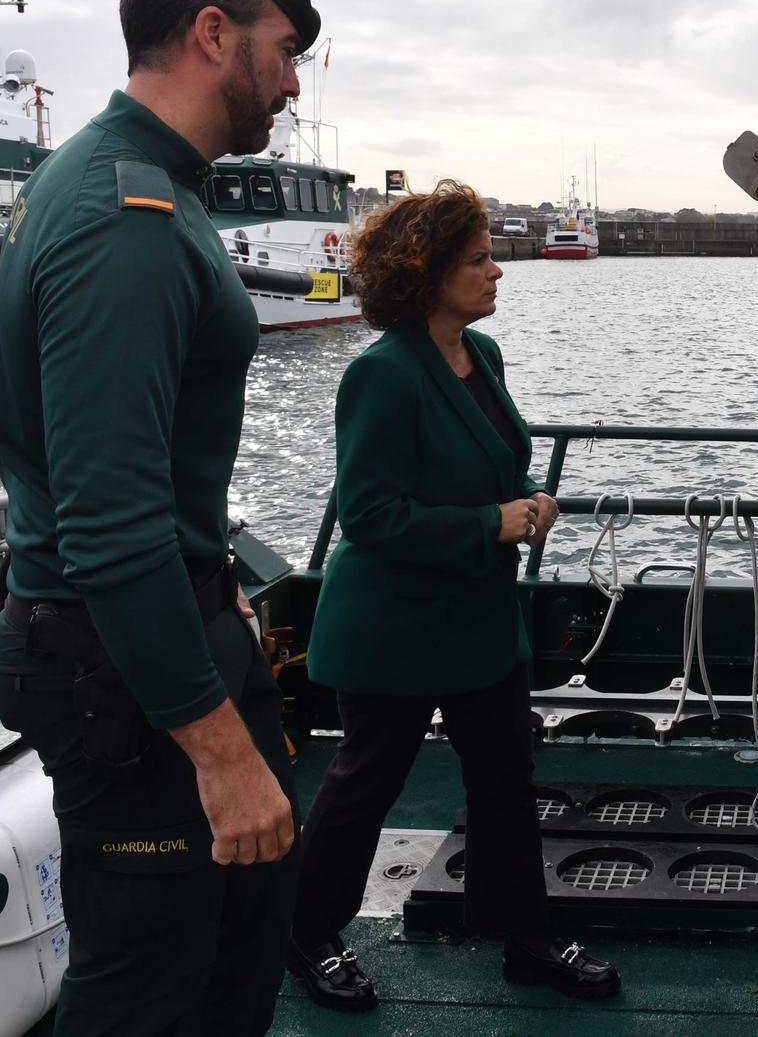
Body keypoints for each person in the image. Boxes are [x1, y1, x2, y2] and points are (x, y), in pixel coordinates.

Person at [0, 0, 319, 1034]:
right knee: (146, 995)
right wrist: (217, 751)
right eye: (284, 51)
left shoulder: (136, 183)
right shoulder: (123, 216)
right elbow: (111, 520)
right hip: (120, 670)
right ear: (213, 33)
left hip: (152, 643)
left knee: (227, 953)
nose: (290, 85)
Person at [286, 182, 620, 1010]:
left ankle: (528, 939)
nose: (497, 271)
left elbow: (497, 465)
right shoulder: (382, 375)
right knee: (367, 780)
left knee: (505, 775)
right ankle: (304, 932)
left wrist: (531, 502)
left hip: (474, 617)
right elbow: (367, 513)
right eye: (477, 260)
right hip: (393, 625)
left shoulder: (483, 358)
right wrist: (490, 523)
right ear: (425, 274)